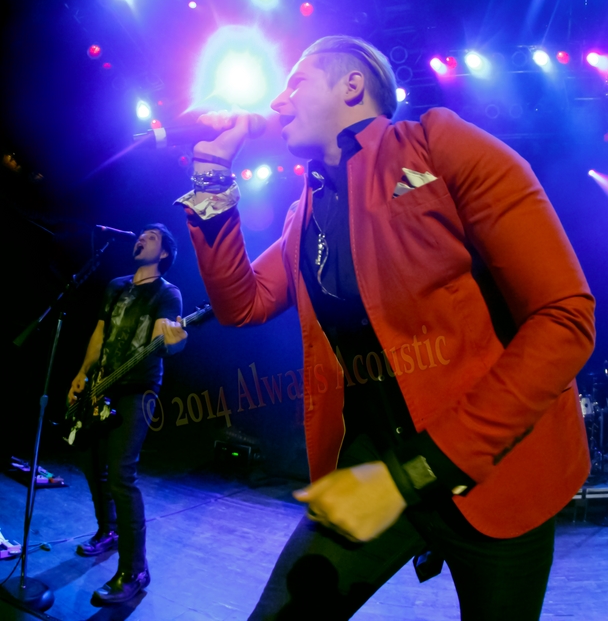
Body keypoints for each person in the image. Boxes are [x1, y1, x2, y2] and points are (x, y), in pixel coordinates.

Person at [176, 36, 595, 620]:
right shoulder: (303, 215)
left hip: (494, 469)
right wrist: (211, 172)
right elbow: (241, 304)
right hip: (373, 473)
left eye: (296, 82)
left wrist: (418, 470)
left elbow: (565, 317)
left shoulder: (438, 145)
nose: (275, 101)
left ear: (352, 85)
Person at [68, 224, 187, 605]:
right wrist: (83, 373)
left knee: (121, 474)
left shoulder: (168, 293)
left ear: (164, 253)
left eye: (151, 237)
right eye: (141, 234)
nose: (141, 238)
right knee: (91, 463)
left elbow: (165, 339)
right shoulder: (116, 286)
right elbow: (100, 333)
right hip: (101, 385)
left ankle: (135, 570)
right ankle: (109, 530)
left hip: (139, 390)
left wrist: (174, 341)